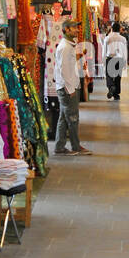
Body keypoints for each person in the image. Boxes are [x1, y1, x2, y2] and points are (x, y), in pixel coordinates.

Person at [53, 18, 92, 156]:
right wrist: (70, 90)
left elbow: (66, 65)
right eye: (74, 27)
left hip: (67, 86)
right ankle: (76, 146)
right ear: (67, 29)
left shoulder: (69, 46)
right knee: (73, 119)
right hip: (67, 88)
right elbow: (64, 70)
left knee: (64, 118)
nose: (77, 30)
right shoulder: (64, 47)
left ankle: (59, 147)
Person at [104, 20, 127, 100]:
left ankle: (111, 86)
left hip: (110, 58)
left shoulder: (107, 38)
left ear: (112, 29)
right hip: (119, 59)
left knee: (109, 75)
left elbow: (104, 50)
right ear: (119, 29)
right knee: (118, 77)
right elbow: (125, 51)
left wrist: (104, 60)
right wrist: (125, 62)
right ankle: (116, 94)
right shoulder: (123, 39)